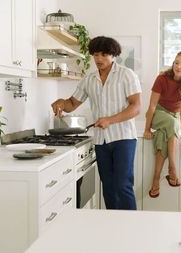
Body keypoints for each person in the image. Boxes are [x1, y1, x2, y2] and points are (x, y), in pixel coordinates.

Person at [51, 36, 142, 210]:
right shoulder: (89, 79)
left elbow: (136, 107)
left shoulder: (126, 75)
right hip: (101, 141)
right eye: (95, 55)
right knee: (108, 187)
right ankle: (112, 227)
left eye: (103, 55)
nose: (98, 59)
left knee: (122, 185)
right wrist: (61, 102)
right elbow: (71, 104)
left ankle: (131, 227)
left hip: (123, 139)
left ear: (113, 55)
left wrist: (110, 120)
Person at [143, 50, 181, 198]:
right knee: (172, 123)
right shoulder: (162, 78)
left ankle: (155, 180)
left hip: (174, 117)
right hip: (158, 113)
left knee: (162, 135)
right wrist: (147, 129)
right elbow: (152, 105)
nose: (178, 67)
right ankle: (172, 168)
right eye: (176, 63)